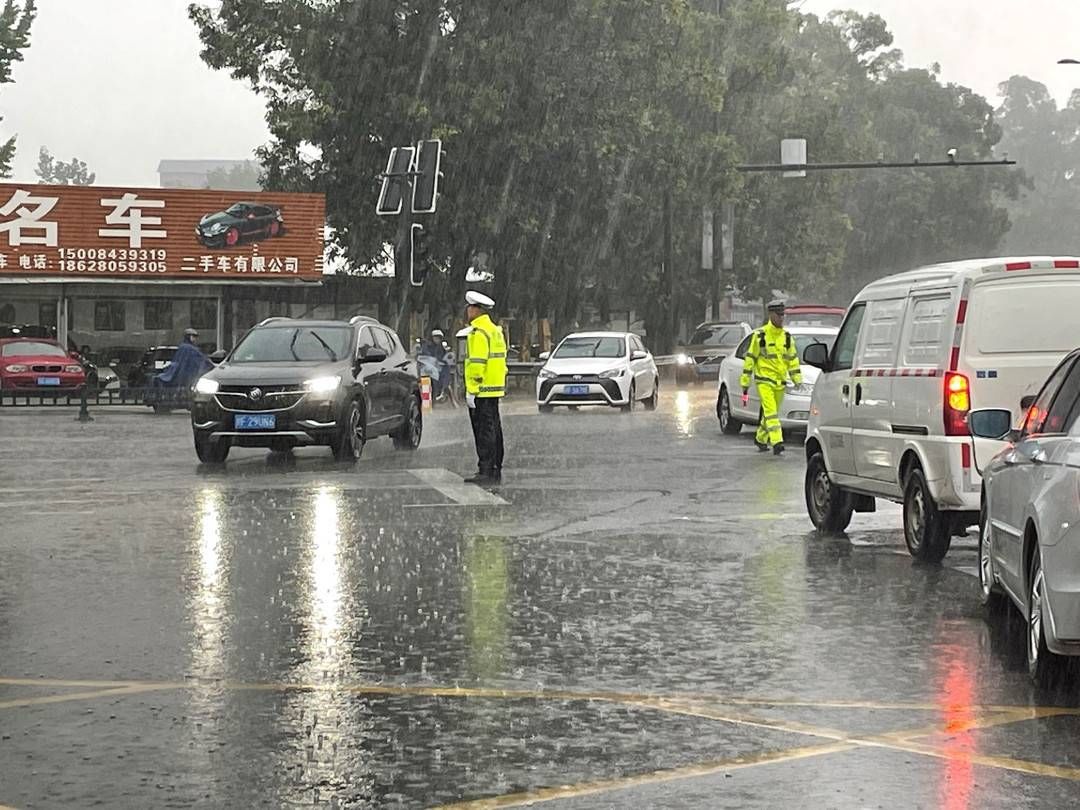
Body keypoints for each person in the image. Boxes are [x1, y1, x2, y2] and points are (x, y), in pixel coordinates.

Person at [740, 300, 802, 456]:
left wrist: (797, 380)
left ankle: (761, 438)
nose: (782, 318)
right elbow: (750, 359)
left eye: (783, 315)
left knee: (770, 414)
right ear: (771, 315)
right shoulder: (760, 336)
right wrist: (745, 382)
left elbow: (792, 360)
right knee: (771, 412)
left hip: (780, 382)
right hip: (764, 381)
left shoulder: (787, 338)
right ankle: (777, 441)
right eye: (779, 315)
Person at [463, 291, 508, 485]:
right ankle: (496, 467)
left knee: (483, 431)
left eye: (470, 308)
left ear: (476, 310)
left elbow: (477, 363)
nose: (467, 311)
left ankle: (485, 470)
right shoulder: (495, 330)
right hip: (494, 387)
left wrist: (472, 389)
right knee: (494, 430)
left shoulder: (478, 332)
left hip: (481, 389)